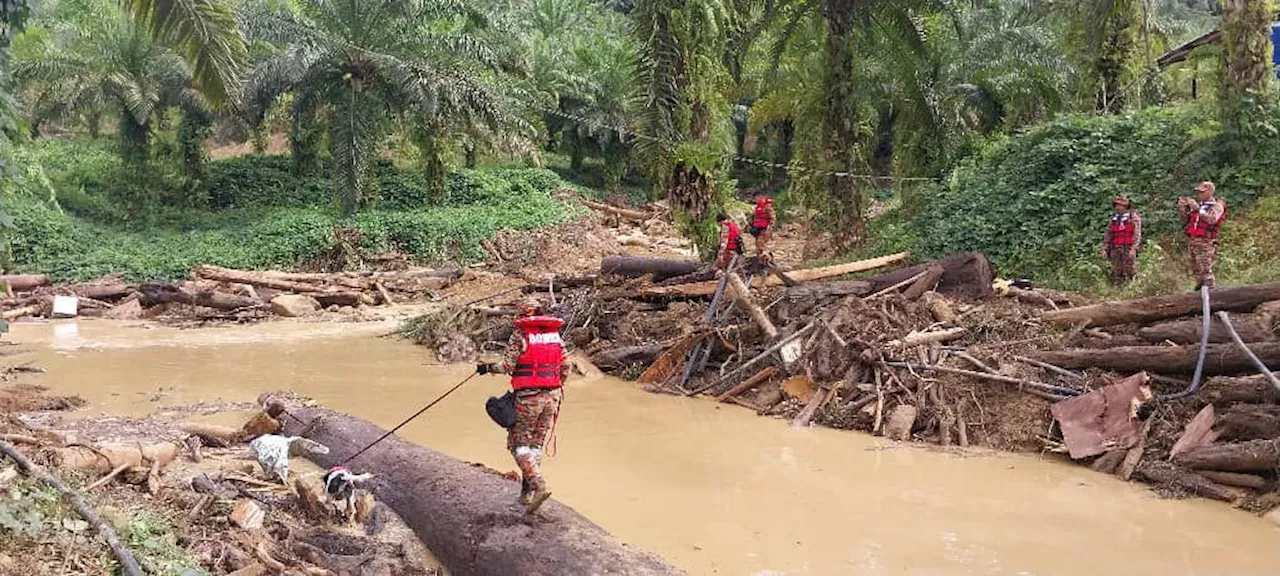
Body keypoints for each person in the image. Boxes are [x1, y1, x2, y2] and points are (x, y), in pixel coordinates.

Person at [476, 296, 570, 513]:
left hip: (529, 398)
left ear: (522, 314)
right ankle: (526, 494)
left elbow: (508, 366)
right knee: (536, 443)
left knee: (518, 444)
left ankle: (538, 484)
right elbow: (567, 365)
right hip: (552, 397)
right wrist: (557, 386)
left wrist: (487, 368)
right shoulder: (554, 336)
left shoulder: (521, 335)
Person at [1178, 181, 1227, 290]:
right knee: (1196, 270)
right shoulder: (1199, 205)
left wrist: (1198, 210)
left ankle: (1211, 294)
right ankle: (1200, 294)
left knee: (1205, 270)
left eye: (1202, 192)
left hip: (1206, 241)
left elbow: (1212, 219)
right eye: (1199, 192)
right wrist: (1182, 209)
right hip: (1193, 240)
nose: (1199, 195)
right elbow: (1185, 221)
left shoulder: (1217, 205)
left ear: (1210, 192)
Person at [1102, 195, 1142, 285]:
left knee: (1131, 270)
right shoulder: (1114, 219)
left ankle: (1135, 287)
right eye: (1116, 205)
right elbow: (1109, 234)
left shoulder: (1133, 218)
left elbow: (1137, 234)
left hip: (1127, 247)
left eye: (1120, 205)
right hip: (1116, 248)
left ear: (1126, 206)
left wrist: (1134, 249)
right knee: (1117, 270)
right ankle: (1119, 288)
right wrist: (1105, 248)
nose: (1118, 207)